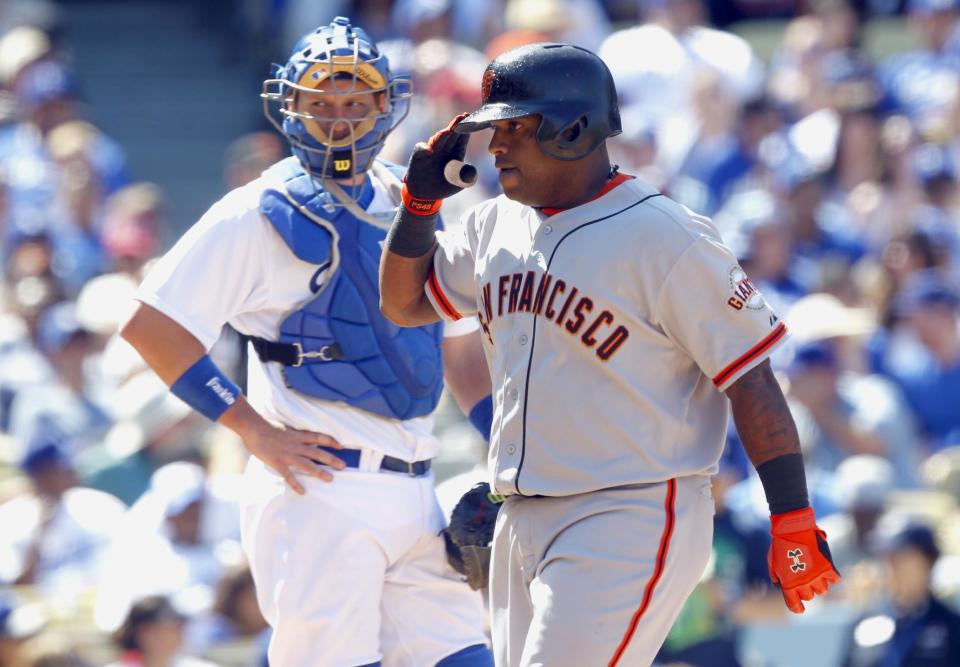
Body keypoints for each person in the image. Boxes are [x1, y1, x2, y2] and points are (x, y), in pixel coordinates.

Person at [379, 42, 841, 666]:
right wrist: (418, 208)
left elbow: (750, 379)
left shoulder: (666, 236)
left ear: (573, 130)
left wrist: (791, 514)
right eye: (494, 129)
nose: (496, 148)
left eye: (514, 127)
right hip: (520, 513)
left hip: (629, 510)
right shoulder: (495, 225)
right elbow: (405, 303)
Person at [119, 16, 494, 667]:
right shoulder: (255, 211)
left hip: (416, 482)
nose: (341, 119)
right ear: (289, 107)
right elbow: (152, 327)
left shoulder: (419, 201)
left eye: (356, 102)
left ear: (387, 105)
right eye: (321, 104)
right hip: (318, 490)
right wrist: (250, 427)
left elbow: (458, 342)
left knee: (467, 658)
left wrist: (503, 443)